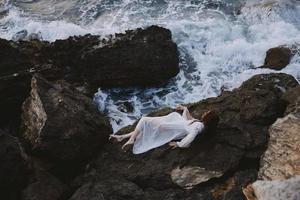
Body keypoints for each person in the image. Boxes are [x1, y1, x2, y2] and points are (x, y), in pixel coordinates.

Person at [109, 105, 215, 154]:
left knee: (144, 120)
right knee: (146, 126)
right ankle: (123, 136)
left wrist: (179, 144)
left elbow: (190, 136)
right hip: (176, 123)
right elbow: (190, 120)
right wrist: (185, 109)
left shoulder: (198, 127)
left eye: (207, 113)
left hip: (172, 128)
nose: (205, 112)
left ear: (208, 119)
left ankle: (131, 139)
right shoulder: (201, 124)